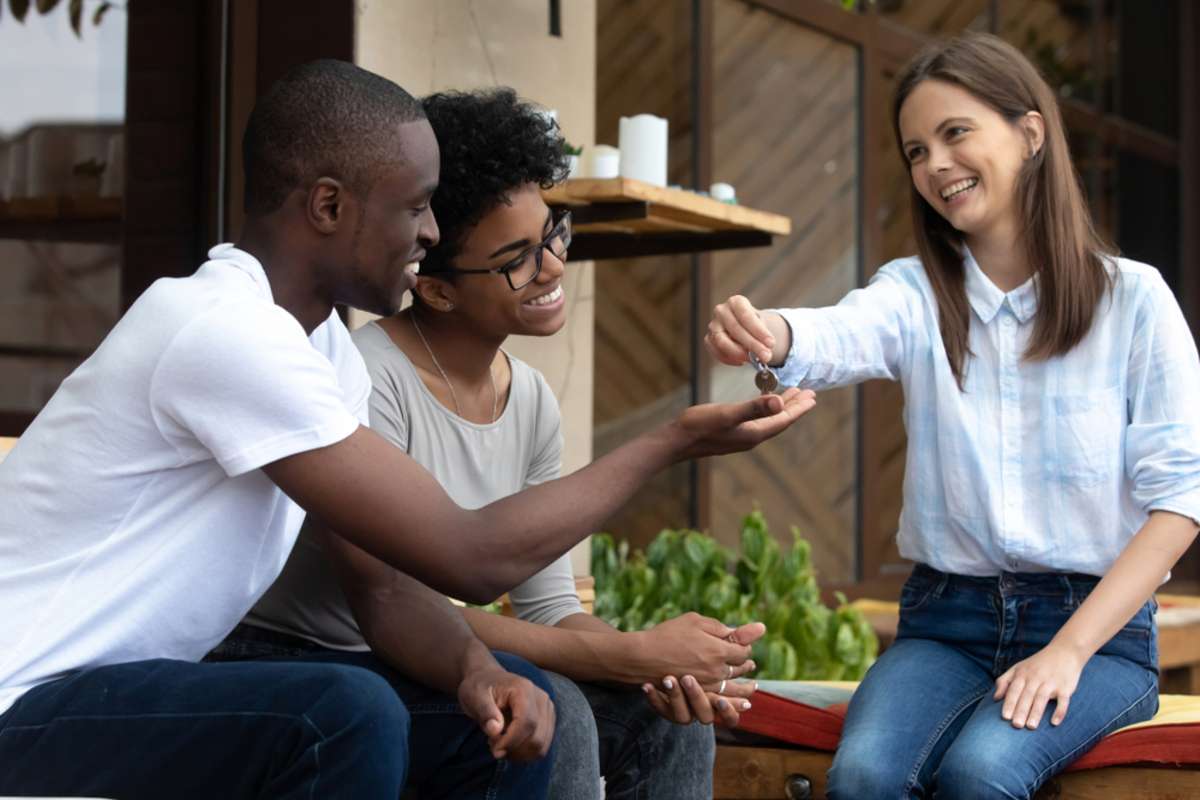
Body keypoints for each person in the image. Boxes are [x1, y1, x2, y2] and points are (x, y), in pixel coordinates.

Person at [0, 60, 818, 800]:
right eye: (416, 208)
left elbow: (386, 587)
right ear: (328, 205)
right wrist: (671, 440)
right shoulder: (218, 328)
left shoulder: (322, 356)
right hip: (24, 697)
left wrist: (476, 674)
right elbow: (465, 553)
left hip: (121, 693)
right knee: (340, 713)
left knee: (505, 726)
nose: (428, 236)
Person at [225, 87, 760, 800]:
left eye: (554, 233)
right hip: (318, 659)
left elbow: (545, 606)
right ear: (439, 291)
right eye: (517, 258)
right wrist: (629, 653)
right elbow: (413, 608)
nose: (552, 267)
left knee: (668, 720)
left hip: (424, 660)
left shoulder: (531, 399)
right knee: (557, 708)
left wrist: (658, 670)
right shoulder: (365, 376)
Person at [705, 33, 1200, 799]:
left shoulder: (1134, 301)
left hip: (1096, 636)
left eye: (955, 133)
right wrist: (774, 332)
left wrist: (1066, 652)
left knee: (981, 774)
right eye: (914, 150)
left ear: (1030, 134)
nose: (935, 164)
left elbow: (1181, 501)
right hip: (947, 624)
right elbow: (842, 331)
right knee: (866, 775)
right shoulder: (913, 294)